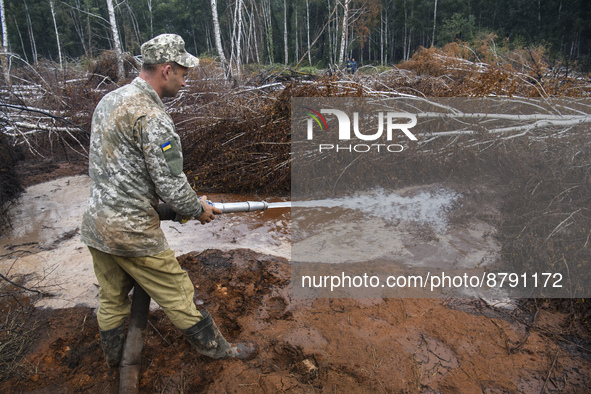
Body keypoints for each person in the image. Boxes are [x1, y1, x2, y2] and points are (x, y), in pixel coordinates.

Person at [80, 33, 257, 367]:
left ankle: (114, 360)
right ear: (166, 70)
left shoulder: (111, 100)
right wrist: (196, 209)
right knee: (178, 292)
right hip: (133, 233)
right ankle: (218, 350)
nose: (185, 80)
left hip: (96, 223)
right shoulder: (152, 117)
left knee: (113, 299)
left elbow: (119, 174)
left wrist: (170, 210)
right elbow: (172, 186)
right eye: (183, 73)